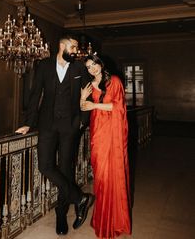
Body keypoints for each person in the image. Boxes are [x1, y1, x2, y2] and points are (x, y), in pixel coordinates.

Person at [15, 34, 94, 236]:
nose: (76, 51)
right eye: (74, 47)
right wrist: (27, 123)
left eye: (77, 48)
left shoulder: (79, 68)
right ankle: (79, 198)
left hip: (70, 126)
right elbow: (35, 95)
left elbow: (88, 93)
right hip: (47, 125)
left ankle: (61, 214)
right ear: (62, 46)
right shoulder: (44, 66)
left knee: (66, 170)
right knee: (45, 166)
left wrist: (82, 121)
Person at [80, 54, 131, 238]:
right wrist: (82, 98)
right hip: (97, 132)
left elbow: (118, 107)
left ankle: (114, 220)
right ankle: (102, 218)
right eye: (88, 67)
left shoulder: (114, 81)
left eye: (94, 64)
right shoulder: (89, 84)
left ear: (101, 64)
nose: (92, 68)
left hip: (111, 131)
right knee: (100, 175)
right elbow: (85, 107)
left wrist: (94, 104)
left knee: (111, 175)